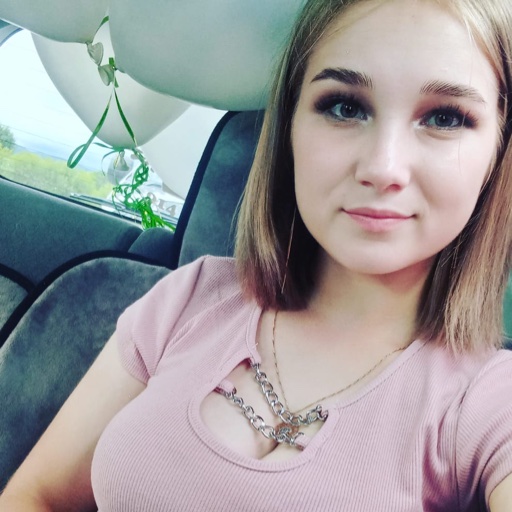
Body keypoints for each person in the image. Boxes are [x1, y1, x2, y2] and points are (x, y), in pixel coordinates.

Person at [1, 0, 512, 509]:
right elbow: (35, 496)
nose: (383, 167)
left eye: (446, 117)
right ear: (289, 126)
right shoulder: (188, 298)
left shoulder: (490, 399)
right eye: (344, 107)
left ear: (497, 150)